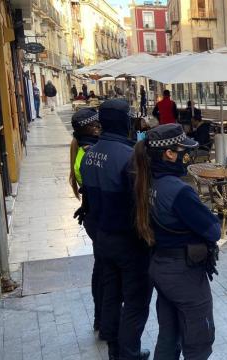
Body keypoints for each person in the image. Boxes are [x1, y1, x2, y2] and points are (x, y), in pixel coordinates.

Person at [132, 124, 220, 360]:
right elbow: (213, 230)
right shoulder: (179, 191)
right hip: (184, 274)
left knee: (169, 335)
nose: (186, 154)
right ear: (169, 153)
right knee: (198, 339)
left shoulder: (147, 182)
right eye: (183, 149)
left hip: (161, 267)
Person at [80, 99, 152, 360]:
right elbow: (141, 203)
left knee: (111, 294)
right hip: (128, 241)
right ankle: (129, 354)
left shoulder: (90, 155)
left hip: (102, 237)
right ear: (124, 121)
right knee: (135, 301)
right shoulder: (129, 157)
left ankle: (114, 350)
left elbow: (86, 198)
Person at [68, 109, 103, 333]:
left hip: (91, 216)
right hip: (98, 218)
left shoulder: (79, 149)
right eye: (95, 125)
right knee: (103, 272)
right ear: (87, 129)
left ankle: (100, 317)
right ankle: (102, 317)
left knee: (100, 269)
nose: (99, 128)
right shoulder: (89, 153)